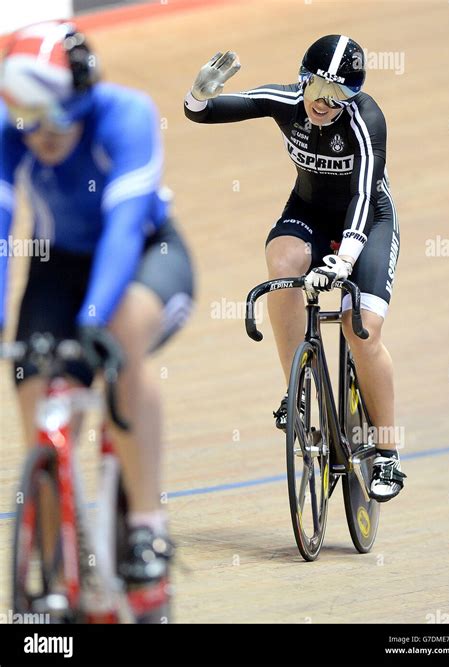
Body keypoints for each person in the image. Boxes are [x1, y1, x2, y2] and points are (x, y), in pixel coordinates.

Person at [0, 20, 194, 607]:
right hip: (59, 265)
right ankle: (62, 558)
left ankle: (144, 528)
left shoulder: (126, 115)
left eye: (50, 116)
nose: (37, 136)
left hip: (140, 253)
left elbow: (122, 226)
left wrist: (91, 317)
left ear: (80, 98)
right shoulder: (12, 132)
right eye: (24, 121)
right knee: (32, 379)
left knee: (121, 335)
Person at [184, 35, 405, 501]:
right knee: (282, 265)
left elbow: (364, 195)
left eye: (338, 96)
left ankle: (387, 452)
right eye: (317, 89)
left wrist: (343, 259)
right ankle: (297, 390)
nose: (324, 104)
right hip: (307, 211)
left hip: (364, 221)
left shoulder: (367, 121)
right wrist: (199, 93)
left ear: (353, 97)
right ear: (302, 79)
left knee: (360, 328)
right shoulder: (285, 100)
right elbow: (199, 114)